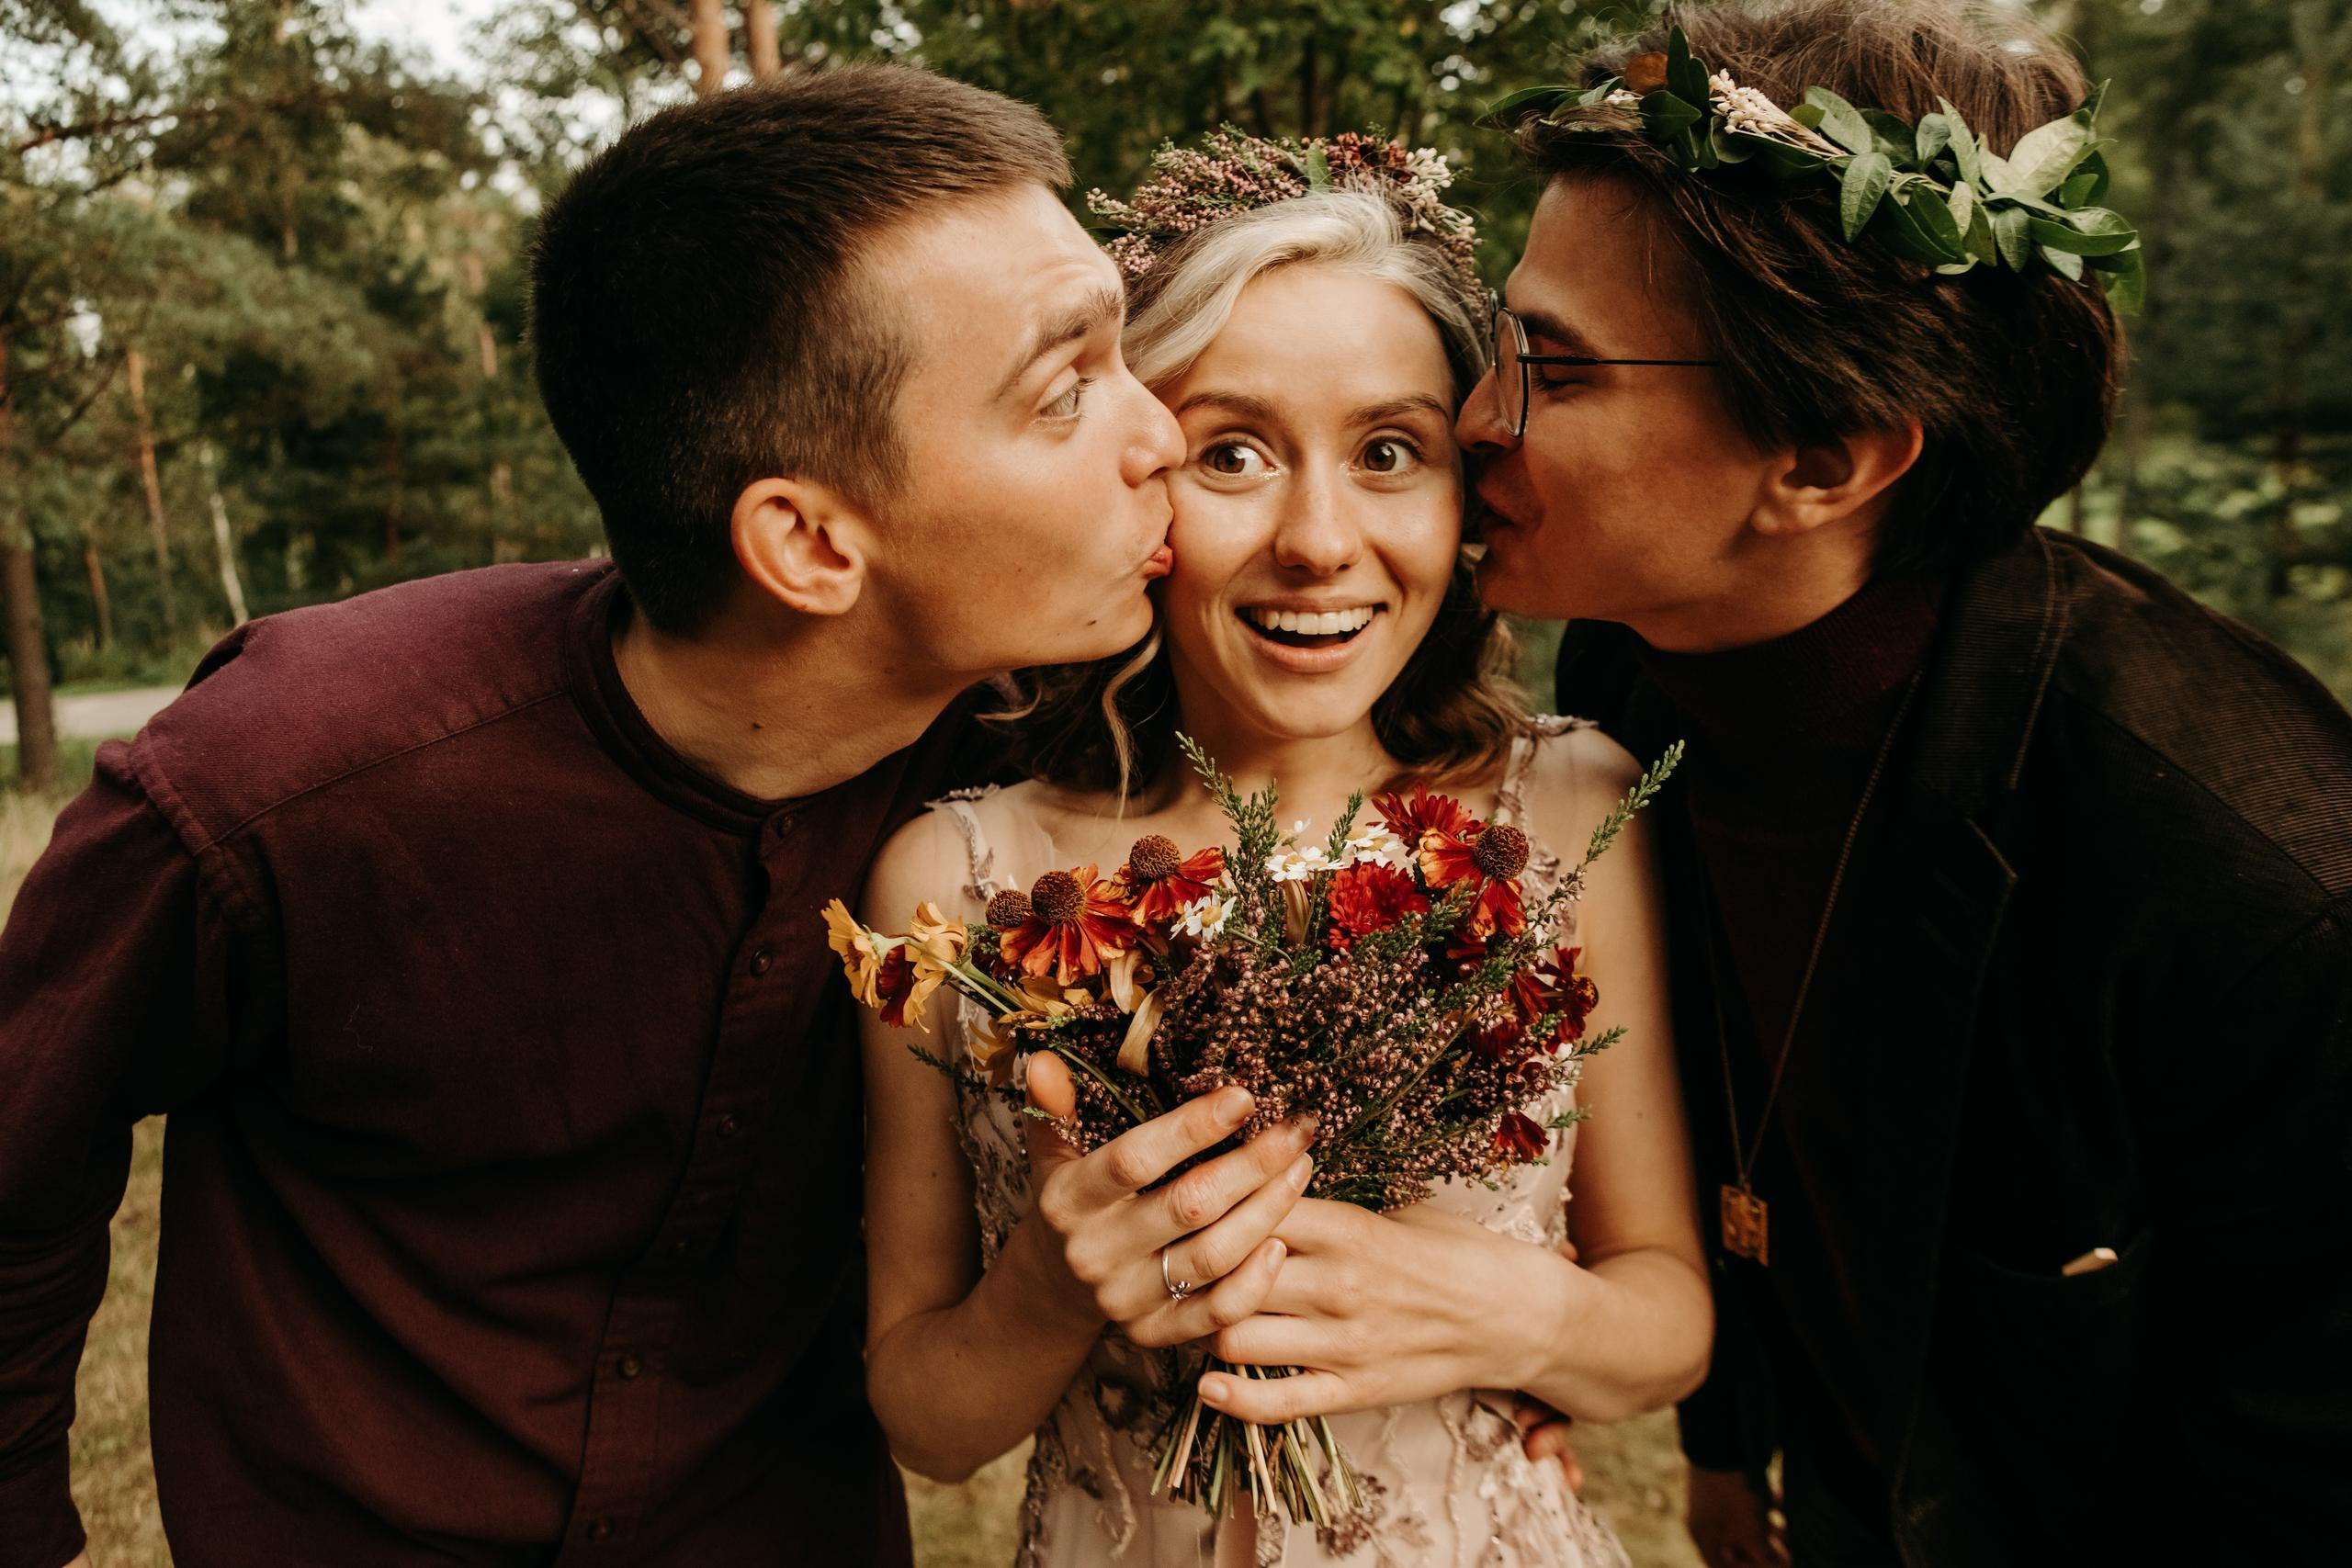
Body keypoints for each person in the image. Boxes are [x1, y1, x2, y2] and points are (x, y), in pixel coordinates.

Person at [0, 64, 1198, 1568]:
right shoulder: (285, 785)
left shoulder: (1044, 782)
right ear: (812, 542)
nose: (1160, 435)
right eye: (1067, 388)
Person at [1462, 2, 2352, 1563]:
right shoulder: (1626, 674)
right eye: (1497, 337)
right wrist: (1733, 1435)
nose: (1476, 417)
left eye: (1556, 369)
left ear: (1826, 462)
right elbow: (1723, 1080)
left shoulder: (2248, 884)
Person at [856, 136, 1712, 1567]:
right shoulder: (951, 884)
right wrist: (1051, 1297)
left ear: (1464, 490)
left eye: (1389, 453)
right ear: (1135, 477)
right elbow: (929, 1424)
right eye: (1232, 454)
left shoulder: (1567, 816)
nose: (1319, 541)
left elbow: (1667, 1326)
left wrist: (1501, 1309)